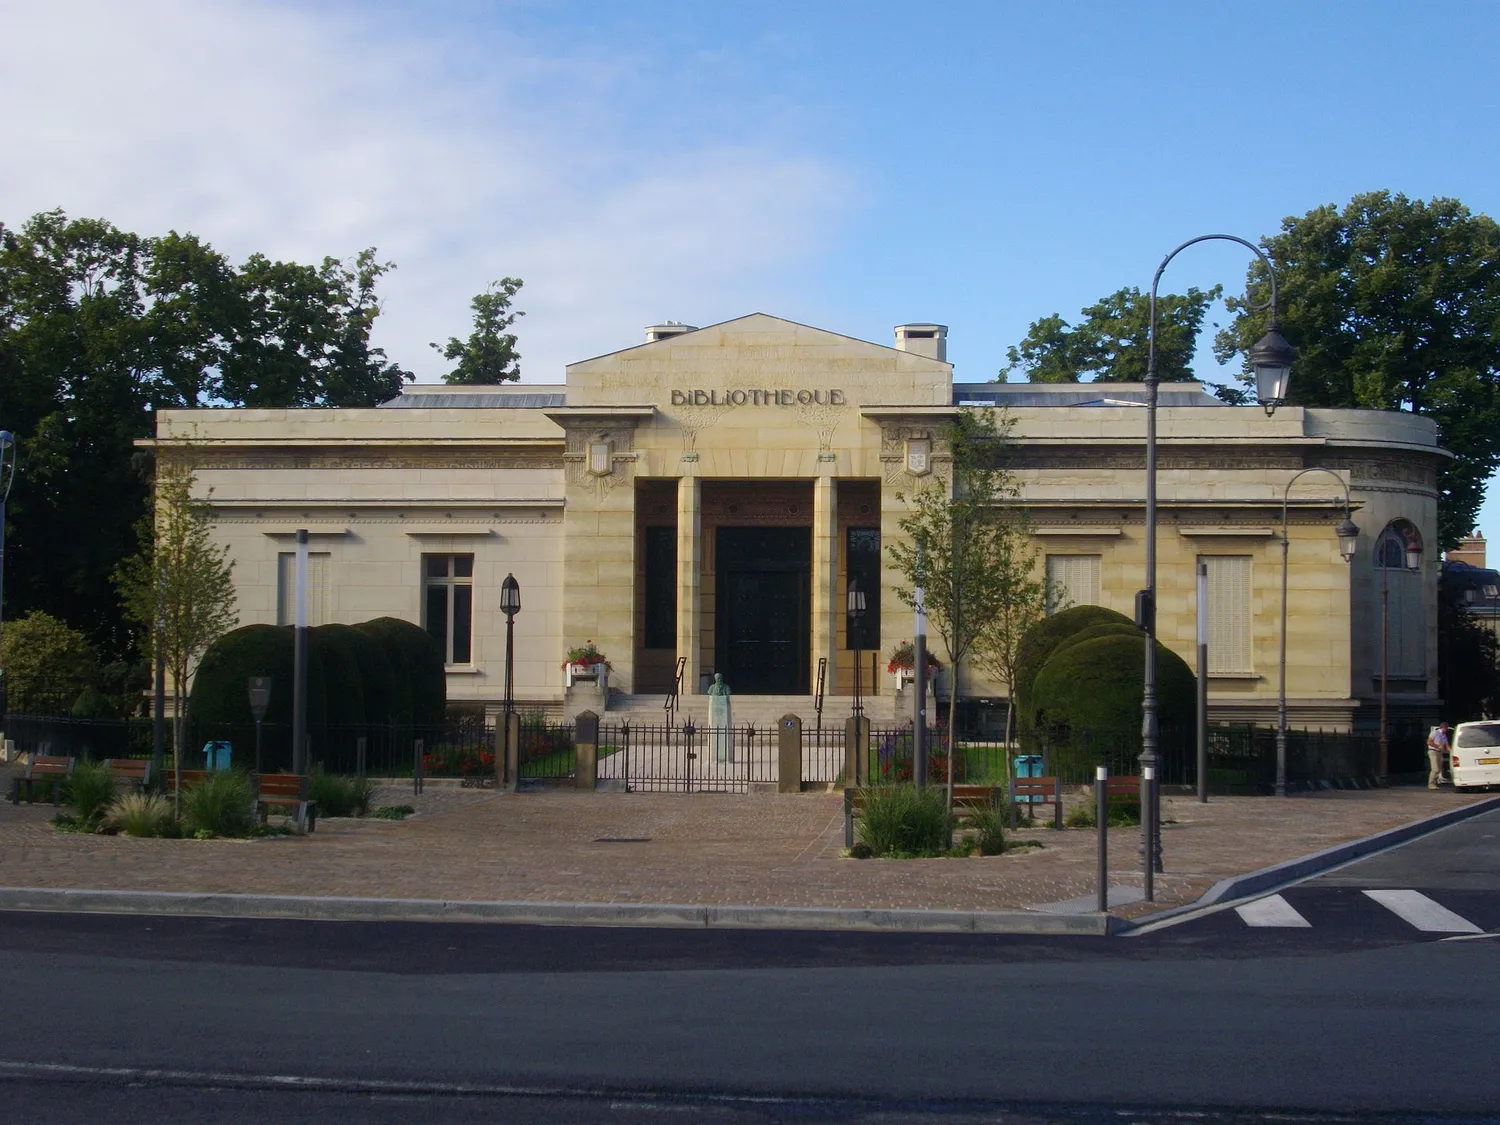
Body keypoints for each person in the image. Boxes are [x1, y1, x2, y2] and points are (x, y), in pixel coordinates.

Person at [1427, 721, 1451, 789]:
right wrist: (1437, 746)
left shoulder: (1444, 735)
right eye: (1446, 728)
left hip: (1439, 753)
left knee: (1439, 769)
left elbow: (1447, 745)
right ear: (1444, 728)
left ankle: (1434, 784)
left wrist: (1451, 751)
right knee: (1435, 769)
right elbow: (1429, 742)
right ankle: (1431, 784)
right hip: (1433, 751)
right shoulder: (1435, 733)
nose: (1447, 730)